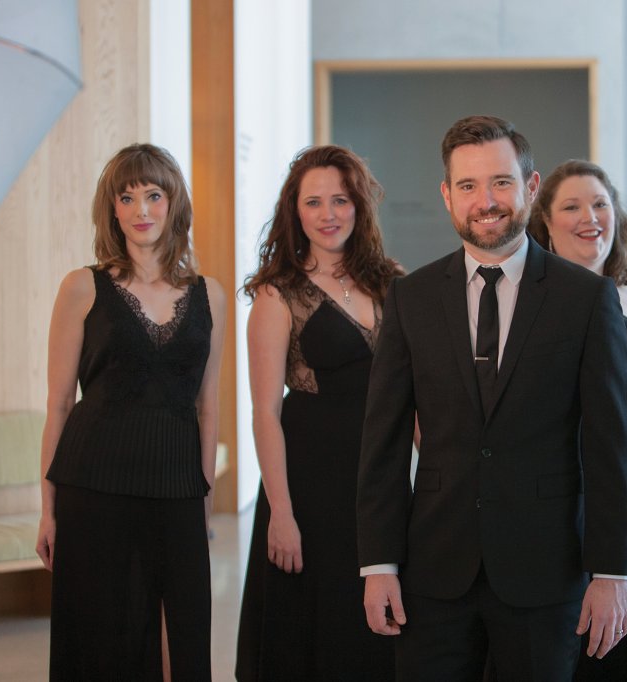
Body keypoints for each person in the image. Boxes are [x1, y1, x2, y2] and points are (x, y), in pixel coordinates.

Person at [356, 115, 627, 681]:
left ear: (530, 188)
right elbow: (383, 441)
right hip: (433, 567)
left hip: (546, 567)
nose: (485, 201)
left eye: (501, 183)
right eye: (467, 186)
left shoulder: (584, 299)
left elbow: (613, 444)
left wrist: (611, 573)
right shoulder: (410, 299)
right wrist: (378, 563)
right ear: (447, 197)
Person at [35, 143, 226, 680]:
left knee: (183, 632)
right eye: (127, 196)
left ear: (173, 205)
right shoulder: (81, 287)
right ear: (113, 209)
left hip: (176, 483)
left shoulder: (209, 295)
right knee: (99, 633)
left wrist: (204, 498)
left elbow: (208, 407)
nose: (141, 209)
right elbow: (57, 404)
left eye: (153, 194)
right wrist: (48, 509)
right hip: (92, 484)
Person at [235, 145, 403, 680]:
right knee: (316, 623)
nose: (329, 214)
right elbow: (264, 413)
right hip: (308, 484)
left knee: (380, 616)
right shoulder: (276, 294)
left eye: (340, 199)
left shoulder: (392, 282)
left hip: (379, 474)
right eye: (314, 202)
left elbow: (418, 392)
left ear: (360, 206)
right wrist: (281, 513)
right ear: (295, 212)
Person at [526, 159, 627, 680]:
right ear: (545, 224)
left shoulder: (625, 286)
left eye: (599, 204)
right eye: (571, 207)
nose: (589, 216)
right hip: (617, 497)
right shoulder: (552, 301)